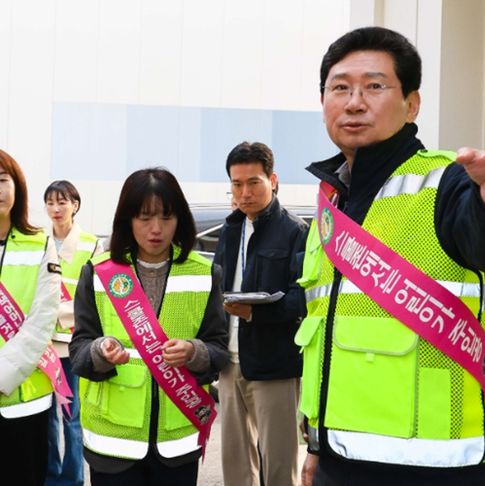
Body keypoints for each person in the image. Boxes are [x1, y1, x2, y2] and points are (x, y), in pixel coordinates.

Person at [296, 26, 485, 486]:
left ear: (412, 104)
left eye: (374, 86)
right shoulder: (331, 202)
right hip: (339, 456)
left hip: (433, 463)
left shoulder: (447, 181)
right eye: (340, 88)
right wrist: (317, 443)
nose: (354, 102)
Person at [69, 168, 229, 486]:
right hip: (113, 442)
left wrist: (194, 352)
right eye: (144, 217)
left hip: (177, 443)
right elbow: (79, 349)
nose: (156, 229)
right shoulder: (98, 273)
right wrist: (100, 351)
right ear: (127, 220)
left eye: (166, 217)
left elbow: (219, 350)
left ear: (180, 220)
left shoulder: (205, 274)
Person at [215, 141, 308, 486]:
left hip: (275, 364)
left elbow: (303, 300)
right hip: (229, 364)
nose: (245, 193)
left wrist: (255, 314)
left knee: (280, 466)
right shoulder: (230, 229)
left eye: (254, 182)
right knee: (236, 465)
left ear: (273, 180)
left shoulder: (295, 231)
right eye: (237, 184)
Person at [0, 149, 61, 486]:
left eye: (2, 180)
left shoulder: (40, 243)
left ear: (17, 186)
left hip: (25, 402)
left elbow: (42, 321)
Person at [44, 180, 103, 486]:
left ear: (75, 205)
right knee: (46, 417)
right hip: (41, 345)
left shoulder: (91, 244)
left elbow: (96, 296)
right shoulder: (39, 241)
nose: (56, 209)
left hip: (72, 344)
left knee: (72, 417)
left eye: (62, 202)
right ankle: (50, 477)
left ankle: (73, 479)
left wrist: (56, 313)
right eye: (50, 203)